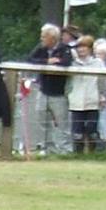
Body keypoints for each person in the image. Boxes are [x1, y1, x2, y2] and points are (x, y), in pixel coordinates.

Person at [27, 23, 75, 157]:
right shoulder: (41, 48)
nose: (41, 39)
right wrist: (47, 61)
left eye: (44, 37)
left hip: (58, 93)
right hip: (43, 90)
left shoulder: (64, 49)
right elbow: (30, 59)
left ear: (52, 38)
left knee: (62, 122)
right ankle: (46, 148)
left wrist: (56, 62)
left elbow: (66, 62)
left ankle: (65, 150)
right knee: (42, 119)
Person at [67, 35, 103, 153]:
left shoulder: (98, 63)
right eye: (79, 47)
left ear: (90, 49)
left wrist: (102, 95)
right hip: (76, 102)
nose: (81, 50)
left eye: (84, 47)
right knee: (77, 132)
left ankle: (92, 153)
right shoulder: (72, 64)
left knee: (92, 130)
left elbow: (103, 81)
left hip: (92, 101)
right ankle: (78, 154)